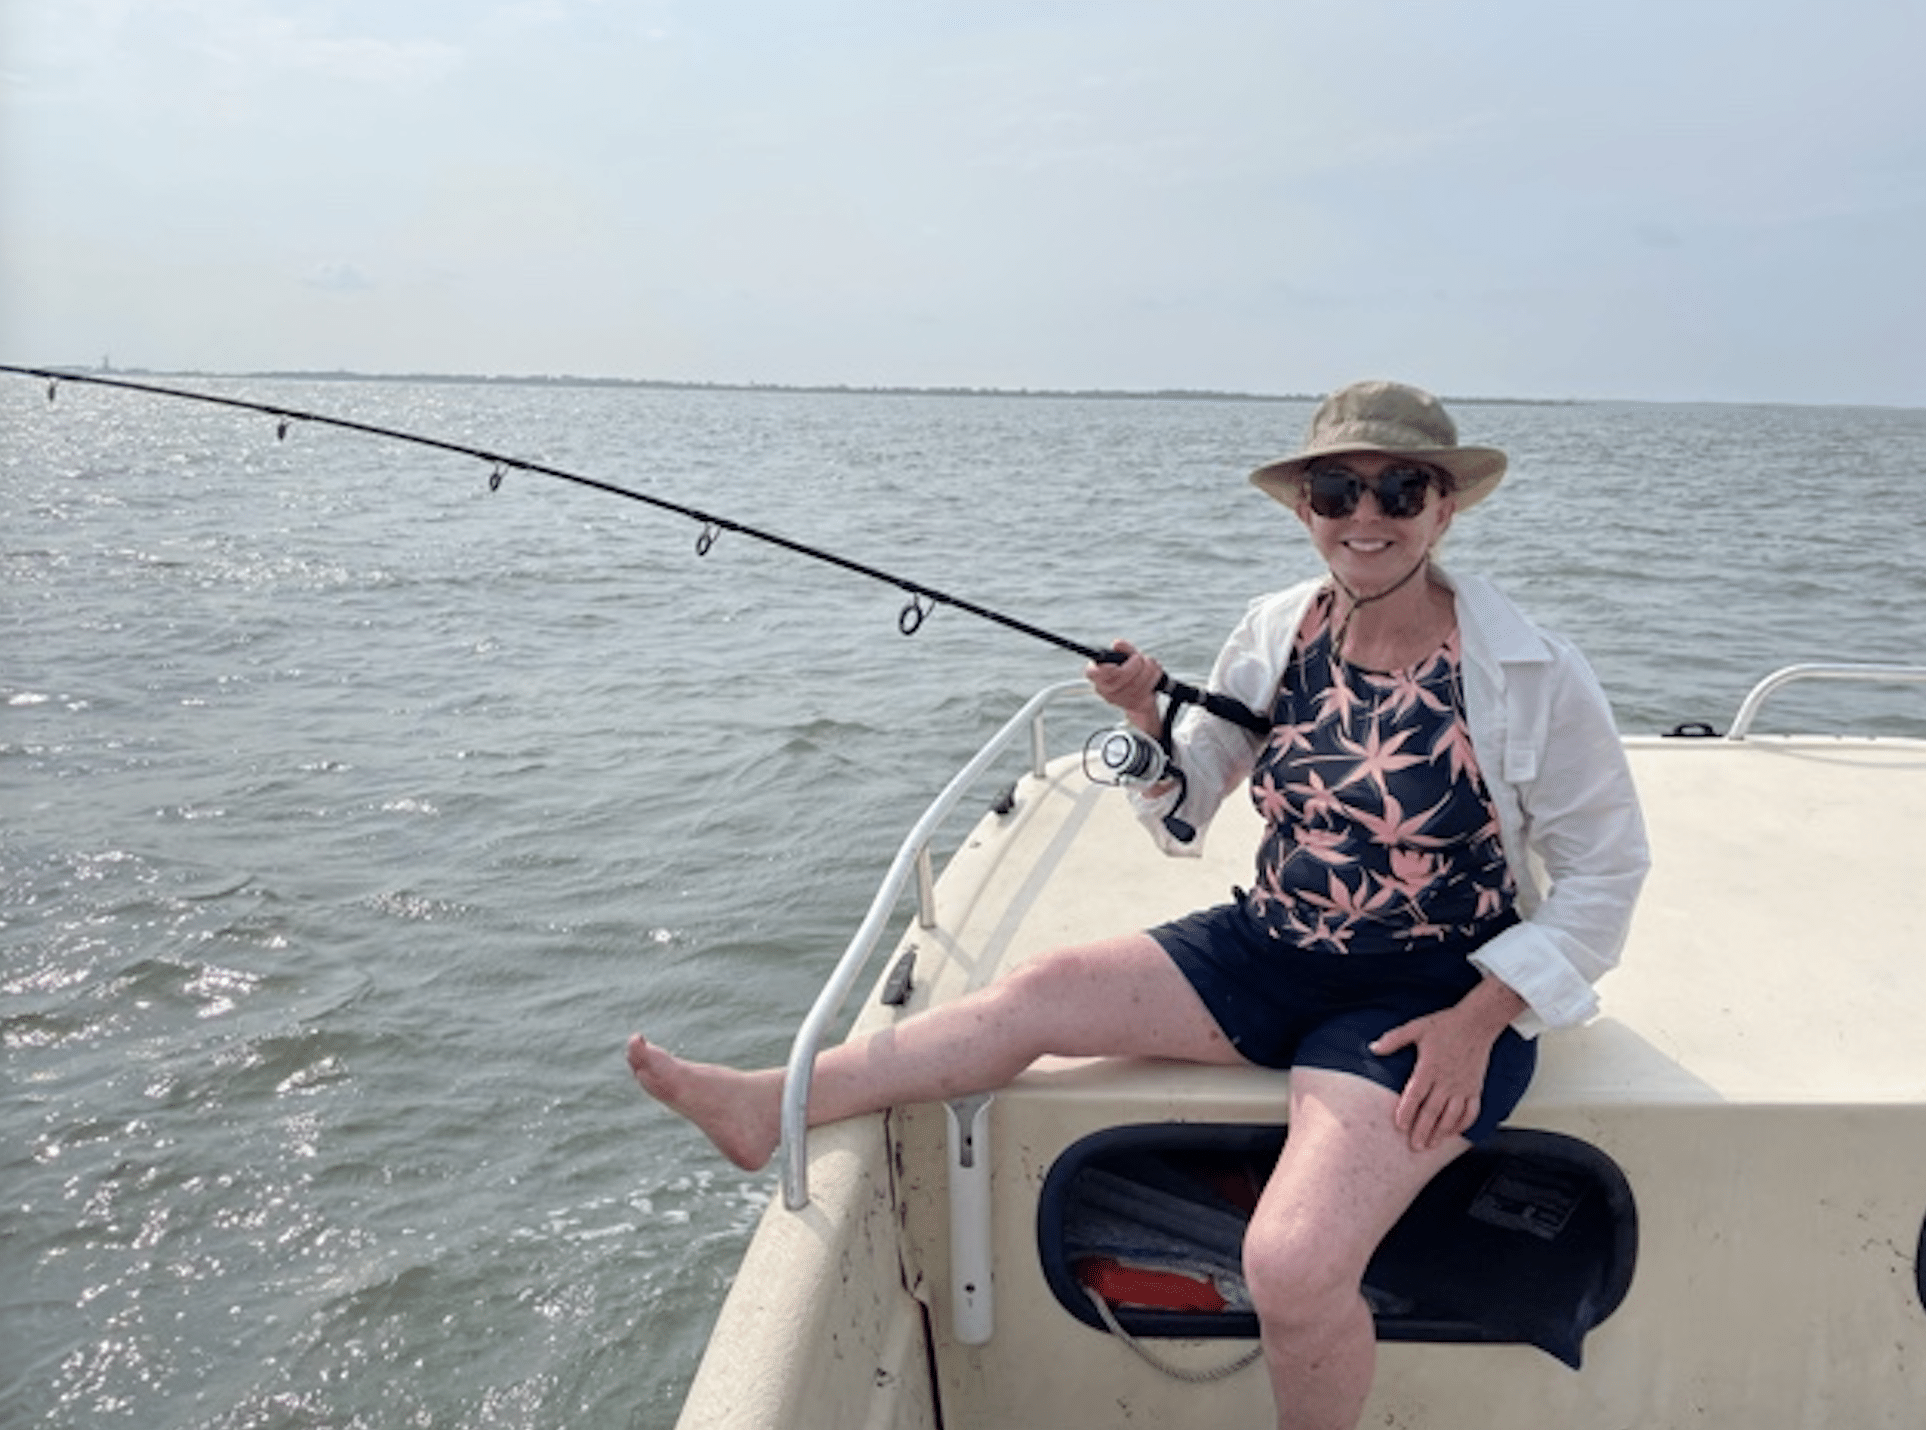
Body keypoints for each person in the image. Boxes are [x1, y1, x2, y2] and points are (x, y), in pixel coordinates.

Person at [628, 379, 1650, 1430]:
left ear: (1445, 510)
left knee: (1292, 1262)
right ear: (1306, 510)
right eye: (1338, 489)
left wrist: (1481, 1019)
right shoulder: (1275, 628)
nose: (1366, 515)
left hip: (1428, 998)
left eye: (1400, 488)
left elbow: (1608, 871)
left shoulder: (1533, 670)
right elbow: (1190, 802)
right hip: (1269, 946)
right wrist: (1149, 723)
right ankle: (770, 1106)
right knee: (1040, 990)